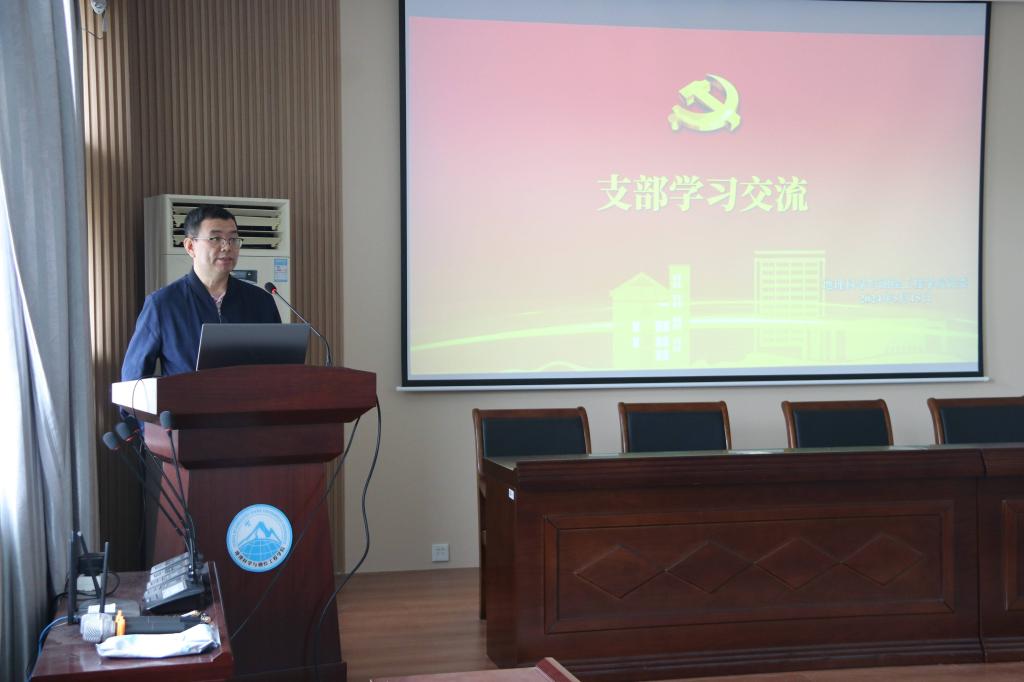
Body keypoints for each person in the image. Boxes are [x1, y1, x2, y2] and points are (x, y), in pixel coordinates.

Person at [121, 205, 281, 380]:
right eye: (215, 238)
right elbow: (132, 381)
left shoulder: (261, 301)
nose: (227, 247)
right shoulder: (163, 304)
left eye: (233, 239)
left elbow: (280, 371)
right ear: (190, 246)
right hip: (185, 398)